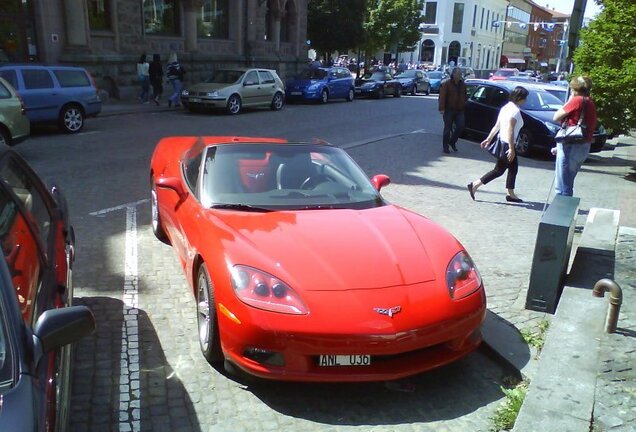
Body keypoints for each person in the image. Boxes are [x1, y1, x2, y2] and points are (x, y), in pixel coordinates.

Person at [467, 86, 529, 203]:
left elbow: (497, 126)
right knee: (499, 170)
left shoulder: (506, 108)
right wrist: (511, 148)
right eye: (525, 98)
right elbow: (510, 129)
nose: (526, 100)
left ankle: (510, 194)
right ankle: (475, 185)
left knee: (513, 169)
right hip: (508, 144)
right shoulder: (515, 111)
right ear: (520, 98)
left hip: (502, 141)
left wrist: (489, 139)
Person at [552, 76, 597, 196]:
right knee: (568, 179)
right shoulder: (589, 101)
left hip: (571, 145)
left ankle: (562, 211)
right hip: (582, 144)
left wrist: (570, 100)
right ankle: (561, 209)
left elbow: (556, 117)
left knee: (563, 184)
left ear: (574, 89)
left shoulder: (577, 100)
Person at [438, 67, 467, 153]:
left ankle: (452, 141)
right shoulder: (447, 84)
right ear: (453, 74)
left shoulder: (462, 85)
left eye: (460, 74)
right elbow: (442, 97)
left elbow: (465, 95)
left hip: (459, 109)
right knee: (447, 129)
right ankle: (445, 146)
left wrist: (464, 103)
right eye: (458, 74)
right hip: (448, 109)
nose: (459, 76)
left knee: (460, 126)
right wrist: (442, 108)